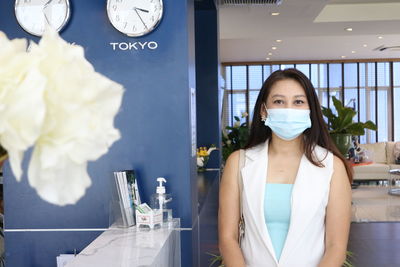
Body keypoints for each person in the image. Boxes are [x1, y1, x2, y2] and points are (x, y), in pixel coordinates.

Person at [218, 68, 352, 267]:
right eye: (279, 101)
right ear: (264, 110)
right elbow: (228, 238)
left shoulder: (332, 166)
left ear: (310, 110)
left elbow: (336, 246)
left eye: (298, 102)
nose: (289, 110)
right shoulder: (239, 162)